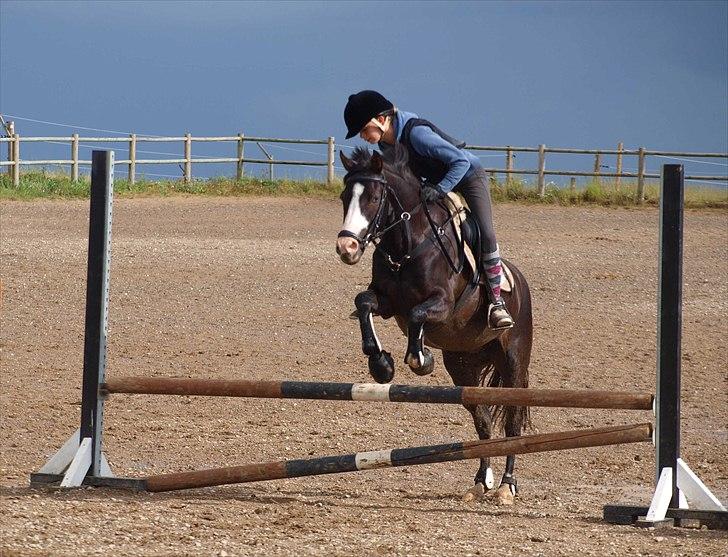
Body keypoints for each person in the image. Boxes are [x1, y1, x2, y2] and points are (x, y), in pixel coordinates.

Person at [343, 90, 513, 329]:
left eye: (363, 130)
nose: (362, 136)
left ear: (381, 120)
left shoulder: (418, 135)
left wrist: (441, 190)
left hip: (467, 175)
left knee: (485, 232)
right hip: (433, 182)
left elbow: (460, 162)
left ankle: (496, 303)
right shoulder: (385, 144)